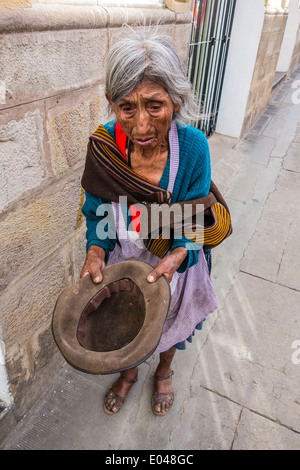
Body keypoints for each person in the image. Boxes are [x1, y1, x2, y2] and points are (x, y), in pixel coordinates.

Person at [80, 32, 219, 416]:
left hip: (172, 262)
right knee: (127, 326)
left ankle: (164, 369)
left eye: (154, 106)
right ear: (112, 104)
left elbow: (194, 224)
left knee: (169, 320)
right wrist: (95, 251)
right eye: (127, 108)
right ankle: (128, 373)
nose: (140, 126)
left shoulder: (192, 148)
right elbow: (97, 211)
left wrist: (176, 257)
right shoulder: (105, 146)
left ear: (176, 100)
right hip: (124, 257)